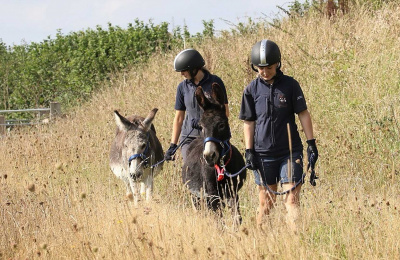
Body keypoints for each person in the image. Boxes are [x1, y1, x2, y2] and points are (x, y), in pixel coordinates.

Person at [239, 39, 319, 229]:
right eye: (260, 68)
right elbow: (248, 122)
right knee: (266, 204)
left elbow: (303, 114)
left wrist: (311, 143)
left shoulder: (291, 85)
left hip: (289, 152)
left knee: (292, 200)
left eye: (269, 67)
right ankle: (259, 243)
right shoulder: (251, 90)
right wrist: (249, 150)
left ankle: (295, 244)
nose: (265, 72)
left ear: (278, 64)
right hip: (263, 154)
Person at [164, 49, 229, 163]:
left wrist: (206, 124)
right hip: (190, 137)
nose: (182, 74)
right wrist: (173, 144)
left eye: (184, 70)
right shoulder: (182, 87)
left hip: (213, 136)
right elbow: (179, 118)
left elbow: (225, 112)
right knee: (190, 168)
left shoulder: (215, 81)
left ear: (193, 68)